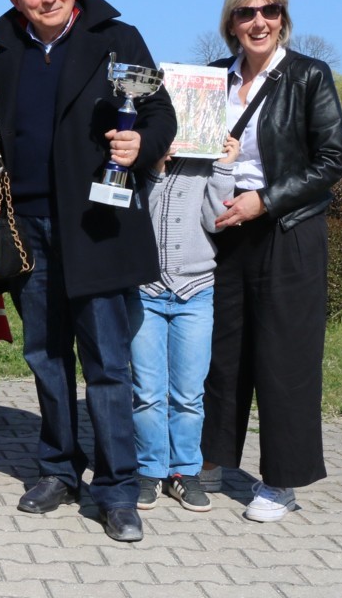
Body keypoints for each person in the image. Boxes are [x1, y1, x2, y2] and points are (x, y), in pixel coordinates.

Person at [0, 0, 176, 542]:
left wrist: (138, 145)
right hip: (29, 227)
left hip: (96, 225)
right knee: (45, 355)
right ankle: (58, 469)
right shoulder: (2, 55)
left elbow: (160, 112)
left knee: (108, 365)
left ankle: (117, 489)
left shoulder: (118, 40)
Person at [200, 0, 342, 522]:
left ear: (283, 18)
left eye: (270, 11)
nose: (258, 21)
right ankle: (212, 457)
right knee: (223, 349)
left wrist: (264, 201)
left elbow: (332, 160)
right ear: (231, 23)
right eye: (246, 13)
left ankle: (281, 481)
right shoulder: (213, 80)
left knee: (285, 357)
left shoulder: (310, 75)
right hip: (223, 222)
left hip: (286, 228)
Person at [128, 138, 239, 514]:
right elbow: (138, 218)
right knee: (147, 390)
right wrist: (156, 169)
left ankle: (184, 472)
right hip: (145, 291)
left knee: (189, 393)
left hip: (196, 292)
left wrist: (225, 166)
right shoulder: (144, 161)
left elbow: (215, 222)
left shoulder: (207, 163)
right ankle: (149, 470)